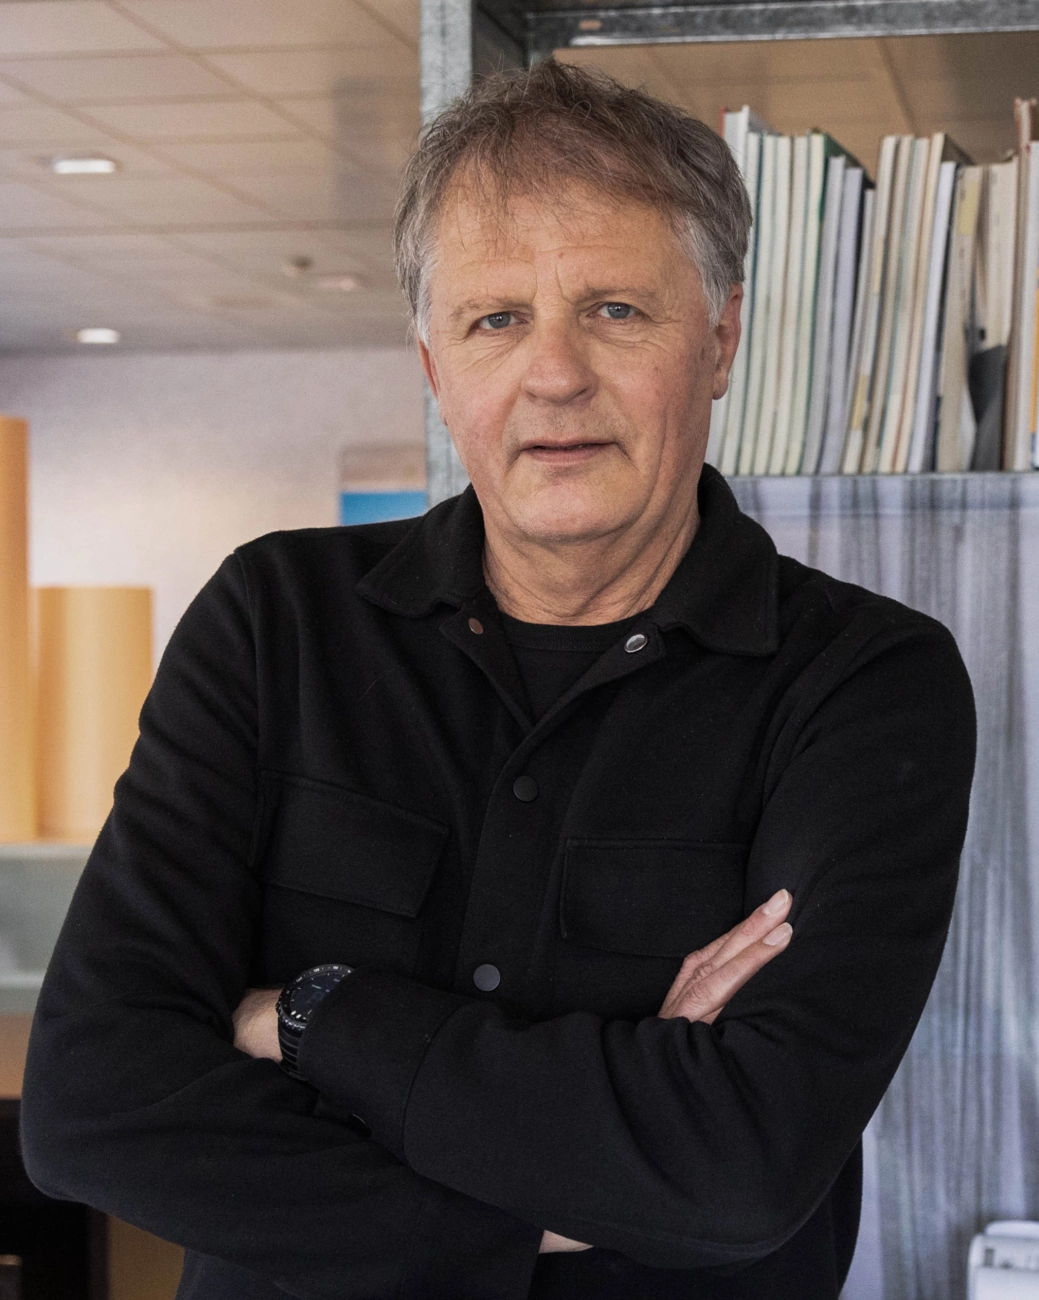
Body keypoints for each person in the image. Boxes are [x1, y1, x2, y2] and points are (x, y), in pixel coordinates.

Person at [21, 60, 975, 1300]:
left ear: (720, 338)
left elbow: (738, 1168)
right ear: (434, 365)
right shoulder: (275, 621)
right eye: (495, 319)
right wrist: (564, 1194)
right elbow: (93, 1103)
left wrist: (309, 1018)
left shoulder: (863, 681)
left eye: (615, 309)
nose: (554, 373)